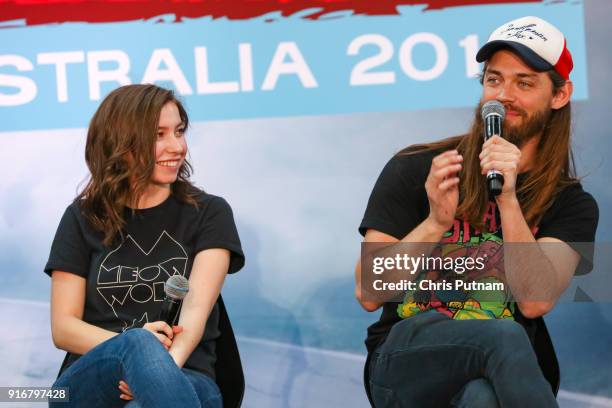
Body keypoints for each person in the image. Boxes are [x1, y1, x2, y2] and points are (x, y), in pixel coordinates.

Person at [355, 16, 598, 407]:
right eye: (494, 79)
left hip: (499, 374)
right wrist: (435, 222)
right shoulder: (419, 166)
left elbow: (534, 301)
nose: (504, 95)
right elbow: (369, 290)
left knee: (482, 398)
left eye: (524, 82)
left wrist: (508, 199)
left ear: (560, 95)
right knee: (501, 334)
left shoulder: (570, 203)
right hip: (404, 360)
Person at [45, 84, 245, 408]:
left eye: (179, 131)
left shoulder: (210, 213)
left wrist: (153, 370)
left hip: (186, 373)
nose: (177, 146)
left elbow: (194, 315)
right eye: (159, 135)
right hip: (92, 379)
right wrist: (137, 352)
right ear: (120, 143)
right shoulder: (81, 217)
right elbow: (63, 328)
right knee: (138, 341)